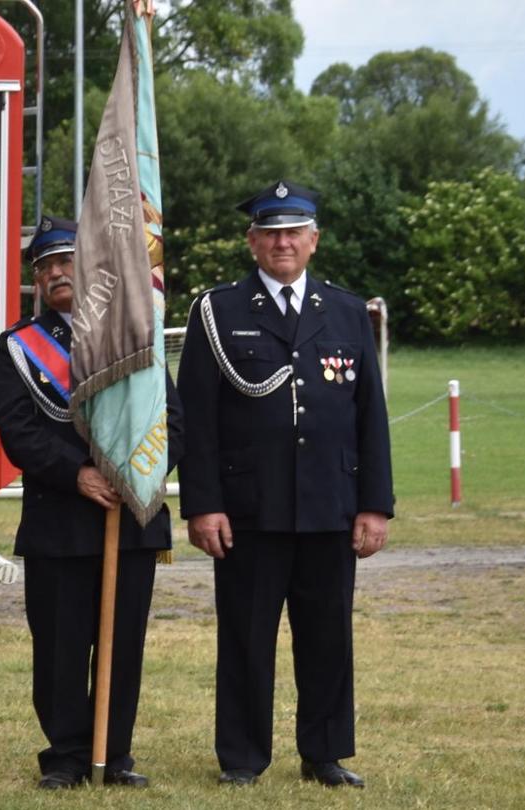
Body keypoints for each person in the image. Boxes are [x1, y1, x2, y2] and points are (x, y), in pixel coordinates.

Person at [177, 180, 393, 789]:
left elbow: (370, 416)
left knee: (327, 636)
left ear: (313, 240)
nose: (283, 243)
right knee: (246, 638)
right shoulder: (219, 311)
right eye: (271, 233)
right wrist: (203, 505)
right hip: (249, 508)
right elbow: (196, 417)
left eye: (294, 232)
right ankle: (243, 757)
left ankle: (325, 753)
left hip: (330, 504)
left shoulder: (346, 311)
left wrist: (375, 505)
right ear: (252, 242)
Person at [0, 216, 181, 790]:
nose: (56, 273)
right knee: (60, 647)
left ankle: (112, 753)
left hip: (132, 516)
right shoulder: (20, 346)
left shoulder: (136, 333)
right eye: (45, 266)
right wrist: (76, 474)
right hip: (60, 521)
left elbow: (173, 421)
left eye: (67, 261)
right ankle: (67, 756)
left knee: (122, 646)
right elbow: (19, 432)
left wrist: (139, 473)